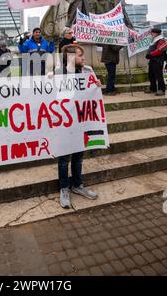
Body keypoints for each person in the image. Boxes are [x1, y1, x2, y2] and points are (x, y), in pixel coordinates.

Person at [58, 45, 100, 209]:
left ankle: (77, 184)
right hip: (65, 121)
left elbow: (92, 93)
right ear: (69, 58)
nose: (83, 58)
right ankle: (64, 188)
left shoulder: (87, 71)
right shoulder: (60, 73)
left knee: (78, 155)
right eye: (80, 55)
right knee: (64, 159)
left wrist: (96, 85)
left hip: (82, 120)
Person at [144, 28, 166, 96]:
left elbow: (160, 50)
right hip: (153, 60)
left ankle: (161, 89)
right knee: (151, 75)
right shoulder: (155, 39)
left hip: (158, 60)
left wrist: (151, 54)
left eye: (152, 33)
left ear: (156, 33)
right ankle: (153, 88)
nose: (151, 34)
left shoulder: (161, 40)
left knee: (158, 75)